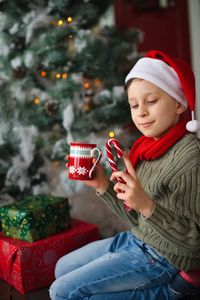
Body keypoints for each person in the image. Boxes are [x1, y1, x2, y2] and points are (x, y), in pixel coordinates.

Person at [49, 50, 200, 300]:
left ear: (178, 103)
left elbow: (195, 246)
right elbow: (137, 219)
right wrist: (101, 184)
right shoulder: (146, 149)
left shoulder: (190, 157)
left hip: (165, 258)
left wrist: (148, 206)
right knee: (61, 268)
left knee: (62, 292)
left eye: (151, 101)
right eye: (134, 104)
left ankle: (171, 291)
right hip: (135, 241)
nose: (141, 112)